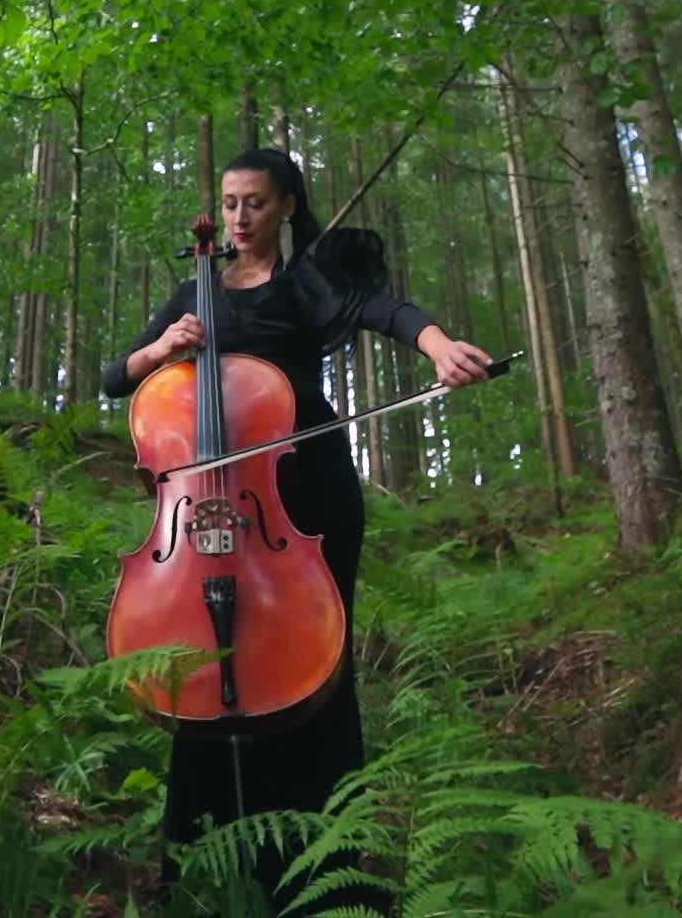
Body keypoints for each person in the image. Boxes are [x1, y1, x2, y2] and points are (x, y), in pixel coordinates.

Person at [101, 147, 491, 915]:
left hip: (301, 499)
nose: (240, 218)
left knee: (309, 662)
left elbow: (387, 312)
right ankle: (205, 854)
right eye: (231, 203)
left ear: (285, 206)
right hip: (205, 511)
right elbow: (117, 378)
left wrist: (439, 344)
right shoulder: (194, 294)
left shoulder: (305, 283)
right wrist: (161, 349)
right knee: (205, 658)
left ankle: (322, 871)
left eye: (254, 203)